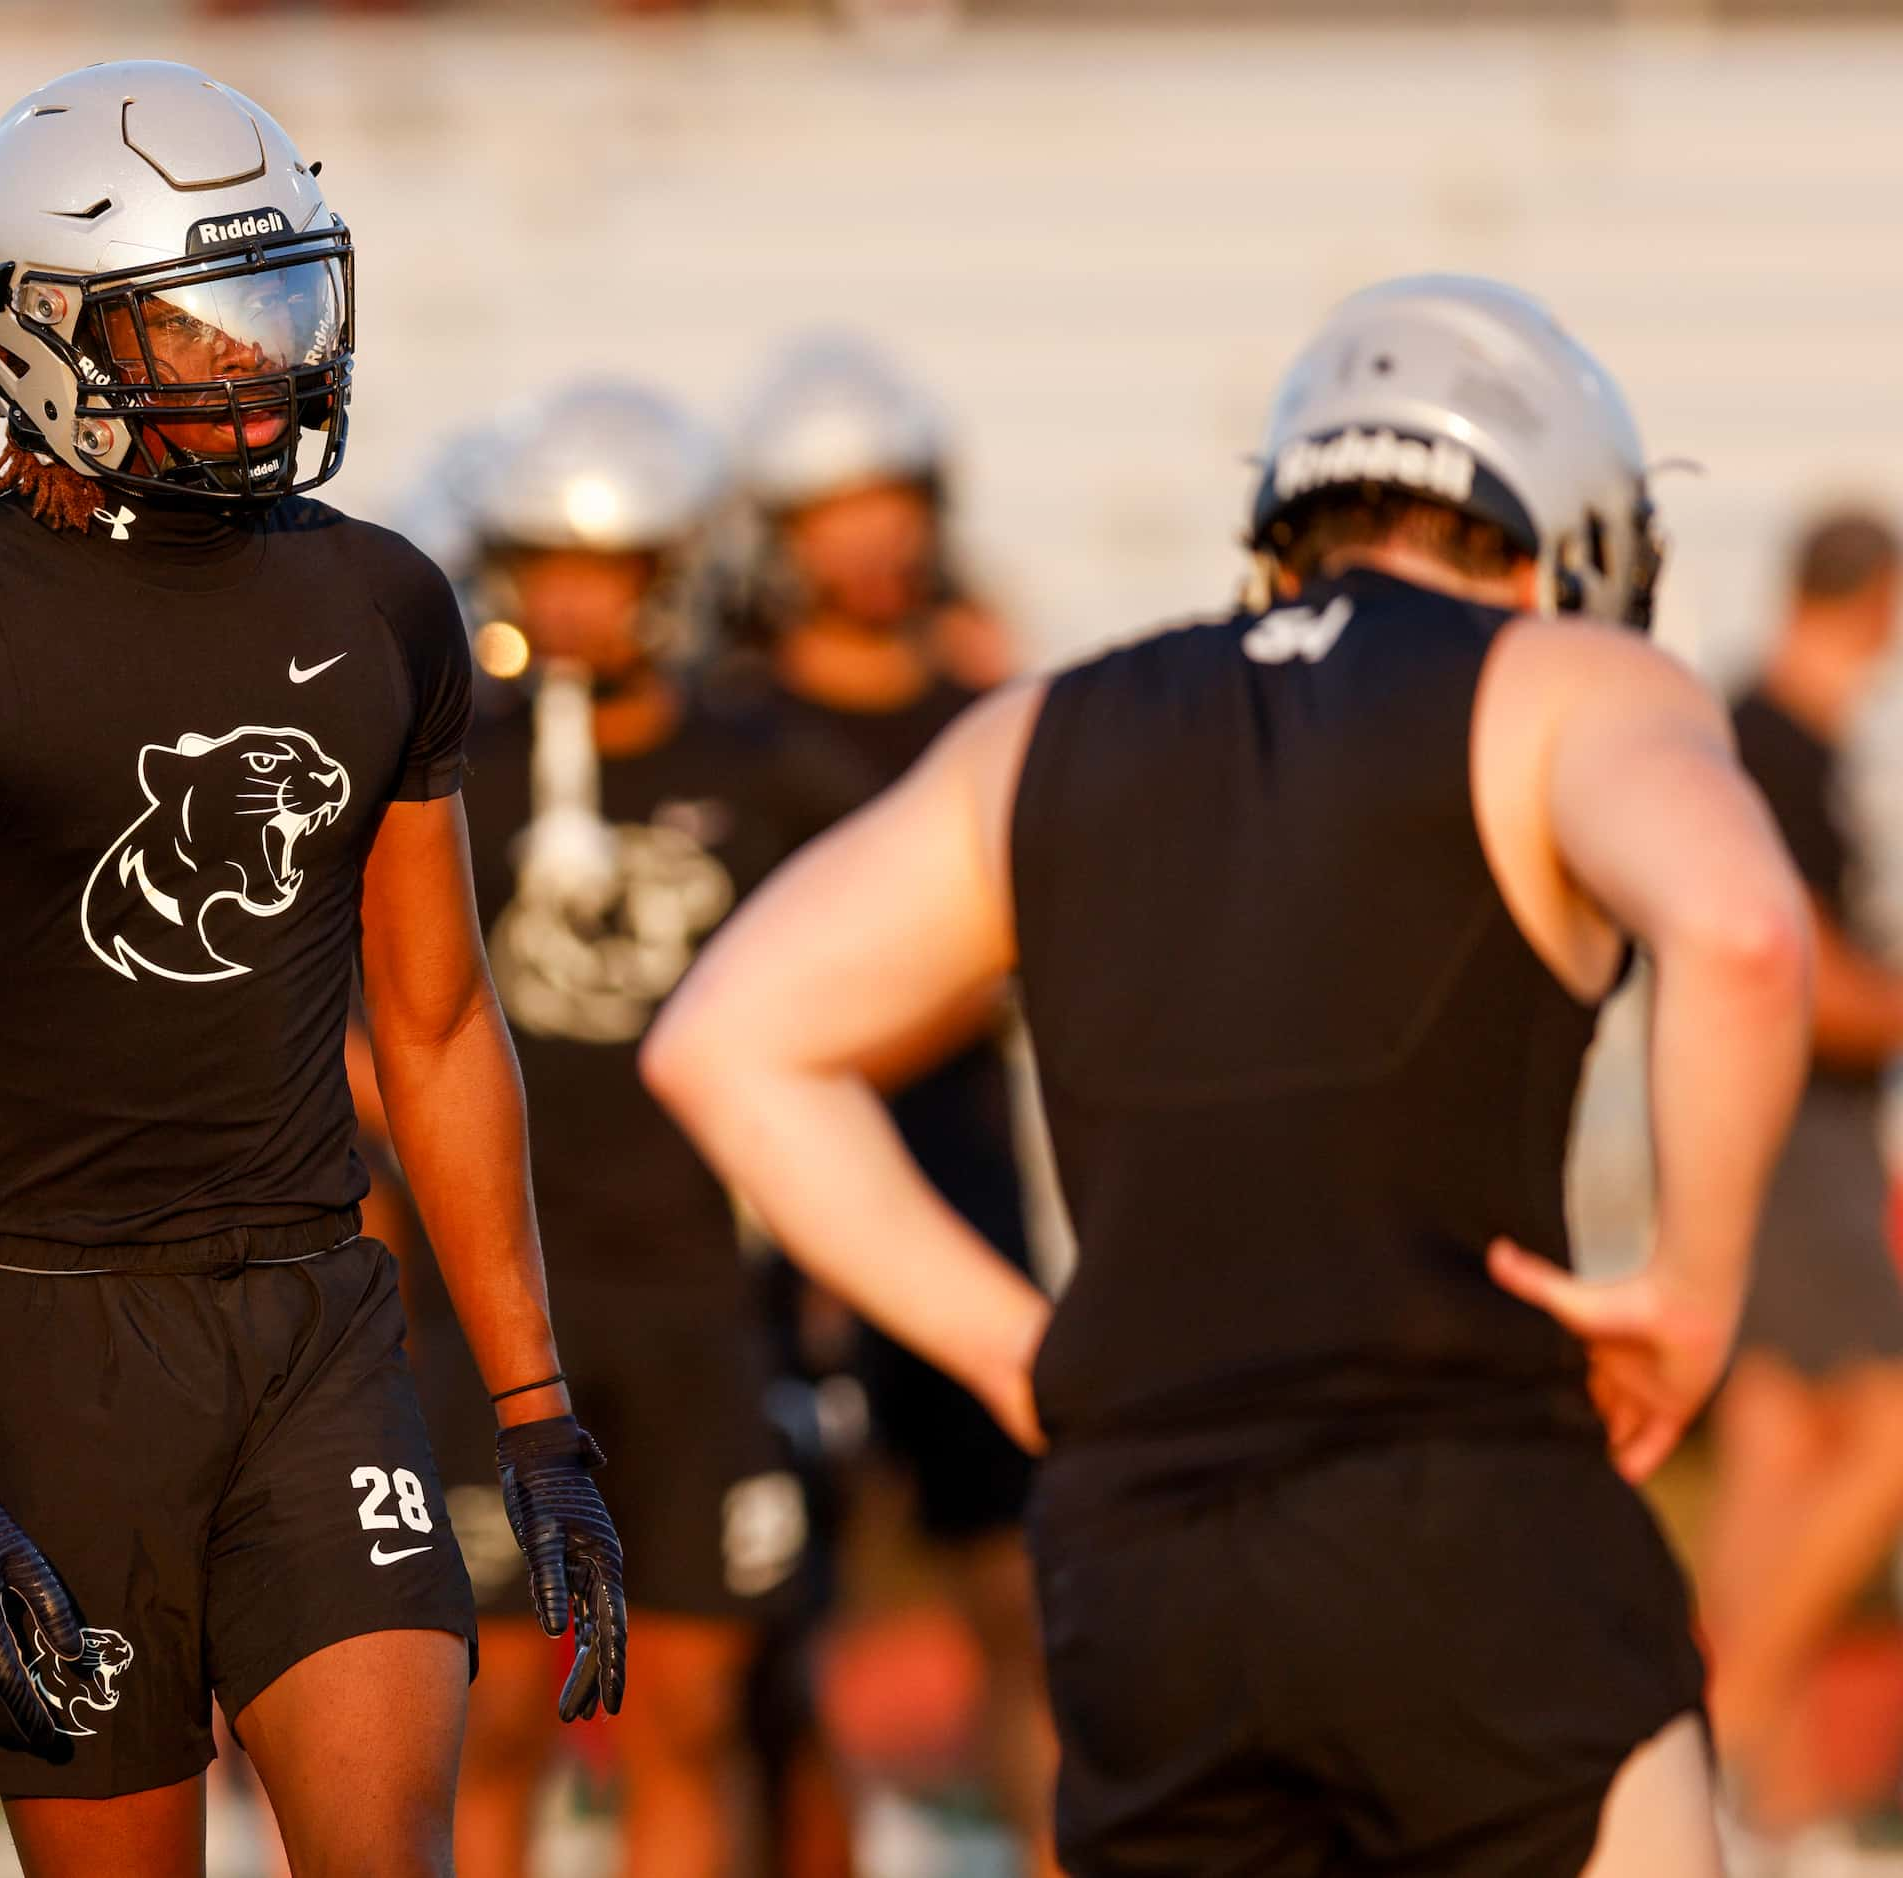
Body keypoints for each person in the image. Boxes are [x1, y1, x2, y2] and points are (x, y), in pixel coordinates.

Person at [646, 275, 1818, 1876]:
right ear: (1563, 535)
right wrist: (1691, 1291)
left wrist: (1022, 1350)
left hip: (1146, 1561)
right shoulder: (1569, 686)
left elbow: (722, 1041)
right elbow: (1749, 934)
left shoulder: (1042, 728)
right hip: (1463, 1502)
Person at [0, 62, 623, 1878]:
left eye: (276, 305)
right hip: (50, 1352)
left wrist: (535, 1406)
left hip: (314, 1318)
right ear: (39, 330)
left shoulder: (385, 601)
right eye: (195, 325)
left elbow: (434, 1020)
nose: (262, 361)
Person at [391, 383, 853, 1878]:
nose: (575, 599)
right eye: (551, 561)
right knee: (495, 1702)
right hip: (496, 1297)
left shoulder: (770, 768)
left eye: (611, 565)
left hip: (706, 1300)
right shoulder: (455, 762)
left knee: (694, 1709)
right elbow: (361, 1015)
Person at [729, 334, 1059, 1878]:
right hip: (774, 1207)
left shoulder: (985, 713)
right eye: (831, 508)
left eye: (890, 501)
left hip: (958, 1180)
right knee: (772, 1614)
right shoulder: (727, 729)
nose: (871, 540)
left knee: (1028, 1591)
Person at [1703, 507, 1903, 1845]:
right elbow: (1793, 968)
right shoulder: (1767, 740)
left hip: (1771, 1130)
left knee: (1775, 1446)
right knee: (1890, 1430)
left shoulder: (1784, 742)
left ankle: (1745, 1798)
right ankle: (1723, 1727)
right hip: (1794, 1128)